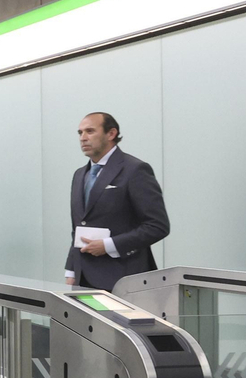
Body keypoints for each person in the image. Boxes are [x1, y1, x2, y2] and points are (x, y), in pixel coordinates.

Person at [64, 111, 169, 290]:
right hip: (83, 279)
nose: (83, 138)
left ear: (111, 134)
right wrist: (71, 270)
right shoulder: (80, 174)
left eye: (90, 131)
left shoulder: (135, 170)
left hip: (123, 279)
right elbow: (80, 225)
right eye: (80, 133)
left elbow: (157, 226)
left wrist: (108, 246)